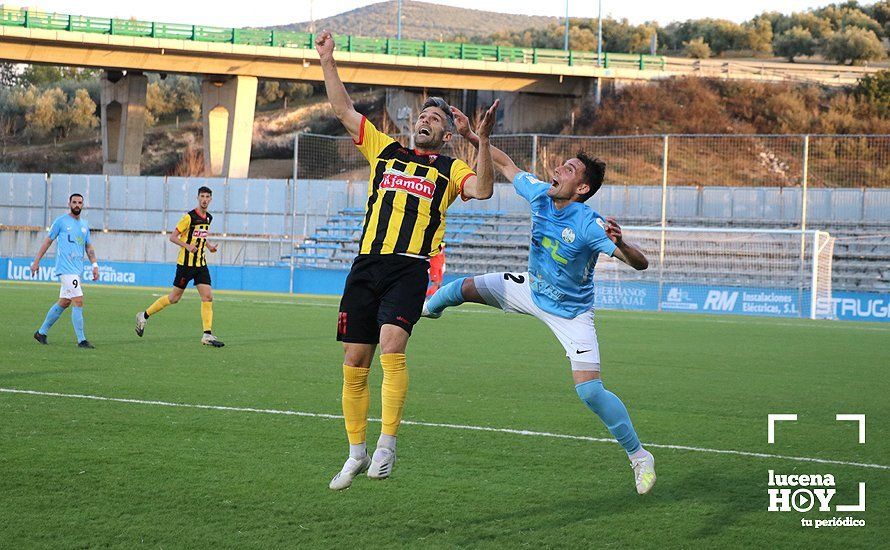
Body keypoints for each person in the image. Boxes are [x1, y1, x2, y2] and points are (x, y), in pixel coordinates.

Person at [423, 107, 658, 495]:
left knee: (590, 392)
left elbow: (640, 264)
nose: (557, 171)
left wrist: (623, 244)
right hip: (530, 290)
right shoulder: (540, 194)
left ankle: (639, 456)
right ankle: (421, 313)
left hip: (571, 313)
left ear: (581, 188)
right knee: (458, 290)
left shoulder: (589, 224)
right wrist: (472, 135)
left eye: (568, 169)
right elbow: (504, 163)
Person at [315, 29, 498, 490]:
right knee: (355, 360)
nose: (426, 121)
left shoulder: (451, 168)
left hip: (410, 265)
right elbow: (342, 109)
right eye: (423, 115)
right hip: (366, 264)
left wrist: (481, 144)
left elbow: (483, 189)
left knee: (392, 346)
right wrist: (327, 58)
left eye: (435, 118)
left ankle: (387, 445)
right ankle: (355, 451)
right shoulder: (384, 149)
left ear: (446, 134)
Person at [134, 186, 224, 347]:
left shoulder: (209, 218)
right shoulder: (189, 217)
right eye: (202, 196)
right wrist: (187, 246)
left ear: (211, 199)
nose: (204, 199)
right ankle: (144, 315)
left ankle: (207, 334)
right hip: (185, 265)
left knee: (208, 297)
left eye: (207, 197)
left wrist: (209, 246)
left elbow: (201, 237)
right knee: (174, 298)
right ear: (198, 198)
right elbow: (173, 237)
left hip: (201, 264)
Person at [32, 193, 99, 348]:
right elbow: (48, 241)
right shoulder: (61, 222)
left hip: (76, 269)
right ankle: (81, 340)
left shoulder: (84, 225)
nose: (77, 205)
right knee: (78, 300)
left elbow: (88, 247)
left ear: (83, 205)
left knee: (64, 302)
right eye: (74, 202)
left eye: (79, 202)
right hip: (65, 269)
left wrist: (95, 265)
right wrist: (36, 261)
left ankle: (41, 333)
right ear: (69, 203)